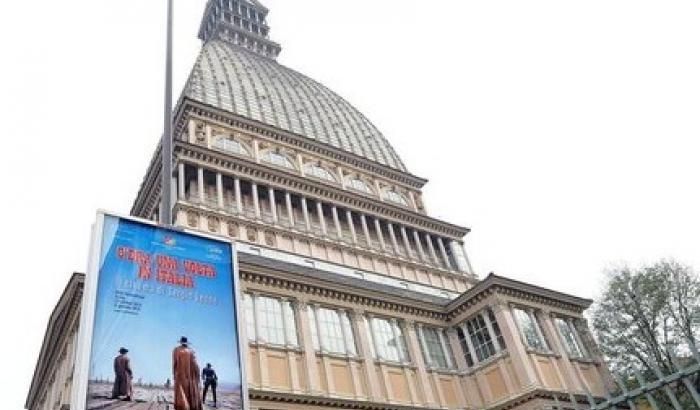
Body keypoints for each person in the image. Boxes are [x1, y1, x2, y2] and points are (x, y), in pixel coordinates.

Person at [173, 337, 202, 410]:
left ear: (180, 342)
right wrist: (198, 375)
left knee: (181, 392)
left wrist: (174, 373)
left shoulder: (176, 350)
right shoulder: (191, 351)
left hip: (180, 375)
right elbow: (196, 365)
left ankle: (183, 407)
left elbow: (174, 364)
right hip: (190, 377)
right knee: (190, 392)